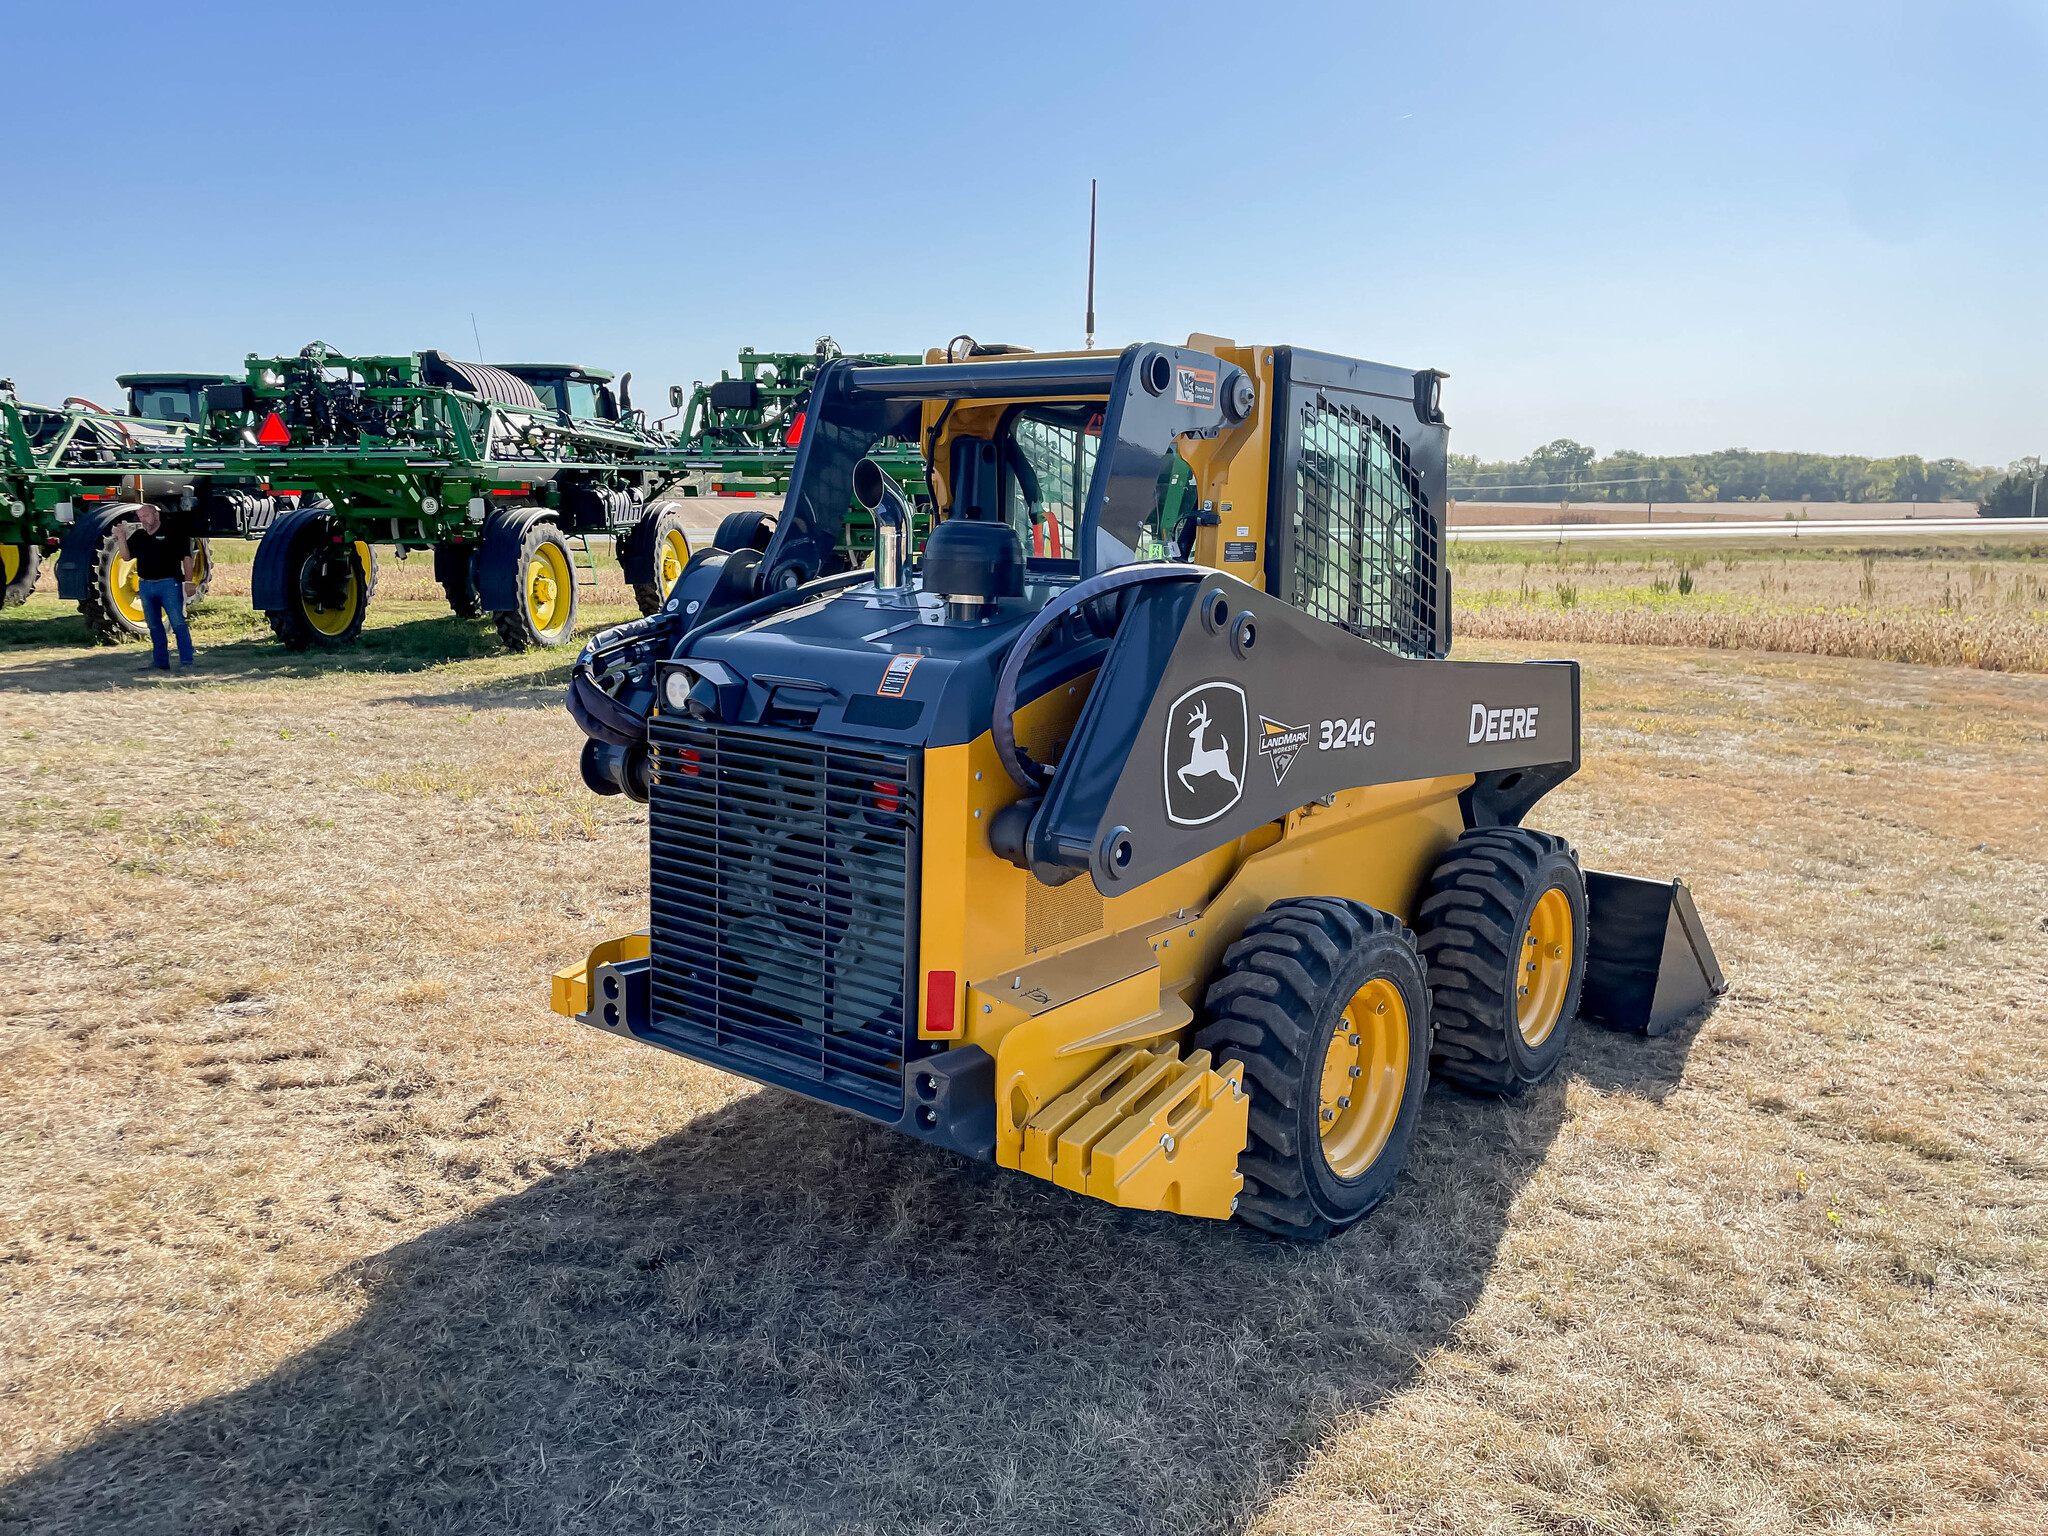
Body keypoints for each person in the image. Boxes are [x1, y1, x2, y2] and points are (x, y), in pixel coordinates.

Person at [116, 505, 197, 670]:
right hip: (146, 585)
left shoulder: (173, 533)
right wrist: (121, 538)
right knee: (153, 625)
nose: (143, 520)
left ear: (156, 515)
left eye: (146, 516)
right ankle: (160, 662)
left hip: (169, 585)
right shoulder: (139, 536)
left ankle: (187, 662)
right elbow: (126, 557)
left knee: (178, 623)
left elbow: (187, 558)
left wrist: (189, 582)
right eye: (140, 517)